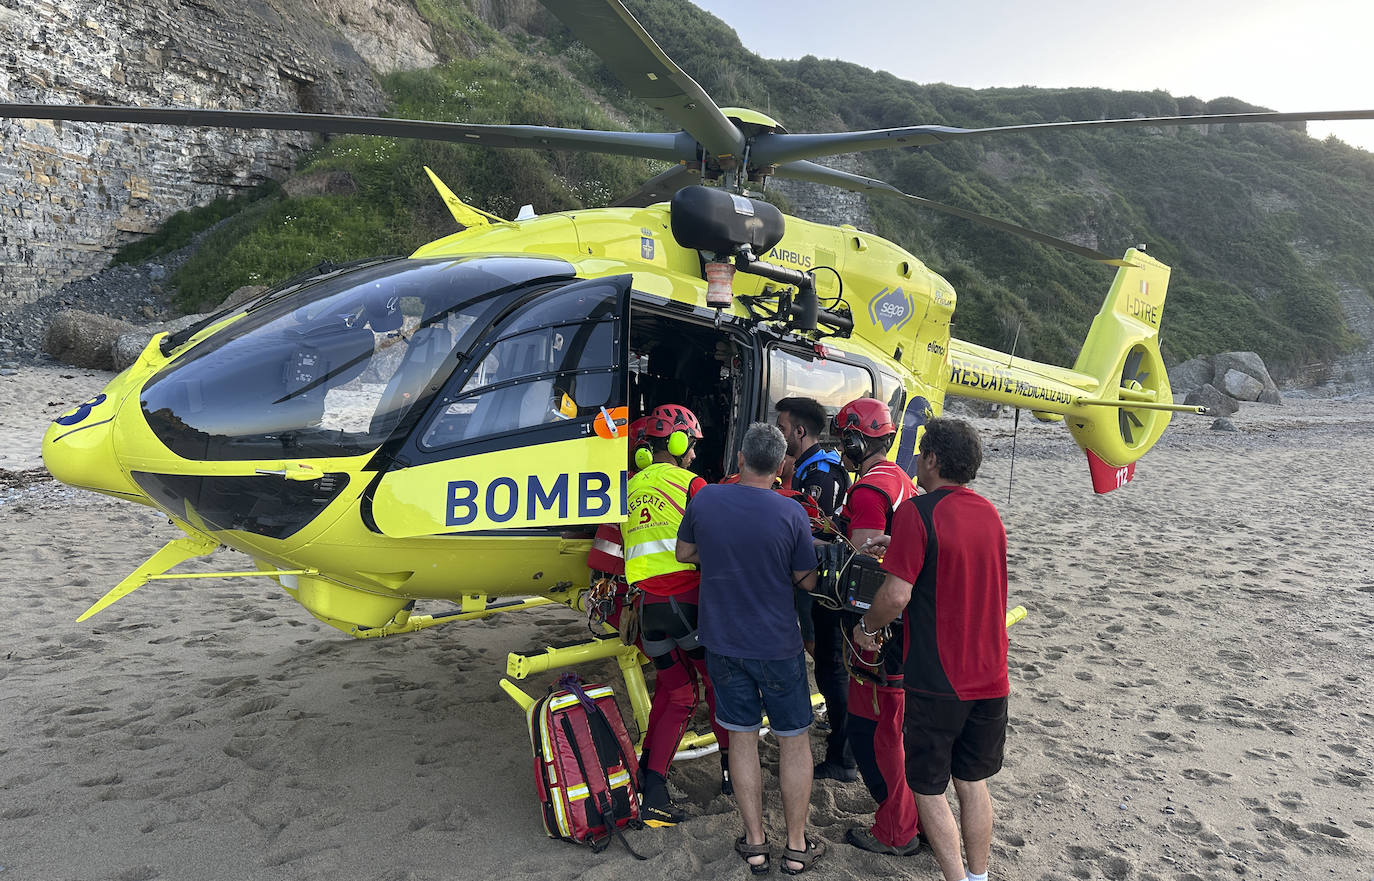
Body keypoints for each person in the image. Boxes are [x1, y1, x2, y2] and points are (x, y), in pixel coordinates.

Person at [851, 418, 1009, 881]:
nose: (916, 460)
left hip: (941, 678)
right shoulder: (989, 512)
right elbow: (958, 567)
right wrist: (898, 545)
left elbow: (896, 596)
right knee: (972, 782)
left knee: (926, 787)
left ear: (934, 459)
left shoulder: (916, 513)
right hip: (992, 675)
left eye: (921, 452)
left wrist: (866, 627)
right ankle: (978, 878)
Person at [676, 423, 826, 876]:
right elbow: (809, 581)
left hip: (723, 642)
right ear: (781, 467)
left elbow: (685, 553)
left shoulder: (706, 499)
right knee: (793, 740)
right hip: (777, 645)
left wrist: (721, 556)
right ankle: (797, 847)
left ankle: (757, 843)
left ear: (740, 458)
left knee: (742, 737)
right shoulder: (791, 514)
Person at [622, 403, 729, 825]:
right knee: (715, 683)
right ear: (679, 443)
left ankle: (650, 778)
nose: (695, 456)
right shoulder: (692, 483)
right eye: (692, 447)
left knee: (676, 690)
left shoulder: (629, 486)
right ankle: (728, 775)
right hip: (686, 604)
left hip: (647, 611)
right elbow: (716, 538)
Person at [831, 396, 923, 857]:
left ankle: (896, 829)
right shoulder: (900, 478)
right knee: (895, 726)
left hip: (878, 623)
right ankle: (918, 817)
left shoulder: (867, 491)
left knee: (876, 730)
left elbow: (866, 553)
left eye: (844, 439)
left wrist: (828, 537)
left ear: (854, 438)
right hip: (906, 621)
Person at [774, 397, 853, 781]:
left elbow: (818, 531)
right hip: (816, 575)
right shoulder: (811, 465)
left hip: (820, 579)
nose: (779, 432)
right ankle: (842, 735)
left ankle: (844, 752)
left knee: (827, 661)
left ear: (800, 431)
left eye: (783, 426)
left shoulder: (821, 472)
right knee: (824, 660)